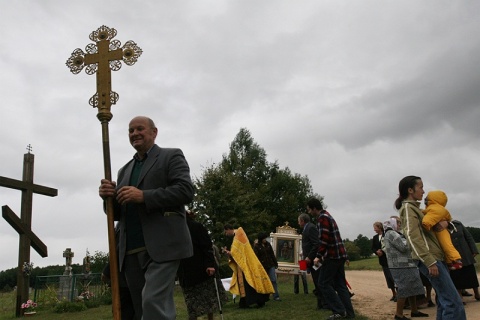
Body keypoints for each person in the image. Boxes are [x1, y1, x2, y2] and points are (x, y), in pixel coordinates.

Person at [98, 116, 194, 320]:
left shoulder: (171, 156)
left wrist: (144, 196)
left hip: (163, 246)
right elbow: (117, 215)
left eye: (140, 129)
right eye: (130, 131)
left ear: (154, 132)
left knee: (153, 303)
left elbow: (185, 191)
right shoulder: (124, 171)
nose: (134, 134)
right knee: (142, 309)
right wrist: (108, 198)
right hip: (130, 250)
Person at [395, 175, 466, 320]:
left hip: (436, 258)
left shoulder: (417, 209)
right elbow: (412, 236)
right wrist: (430, 261)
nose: (423, 191)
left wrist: (447, 223)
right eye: (420, 187)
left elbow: (436, 228)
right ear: (410, 190)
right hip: (431, 259)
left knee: (443, 300)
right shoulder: (408, 208)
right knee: (453, 302)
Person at [308, 198, 355, 319]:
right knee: (340, 285)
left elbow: (324, 239)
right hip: (340, 256)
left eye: (309, 209)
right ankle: (349, 313)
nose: (309, 212)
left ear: (314, 208)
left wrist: (318, 256)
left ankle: (339, 311)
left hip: (332, 256)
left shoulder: (322, 218)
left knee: (323, 283)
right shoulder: (328, 215)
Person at [177, 211, 227, 320]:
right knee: (191, 304)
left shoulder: (196, 227)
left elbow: (207, 247)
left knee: (209, 301)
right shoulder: (175, 231)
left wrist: (210, 265)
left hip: (203, 270)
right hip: (186, 274)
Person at [383, 217, 428, 319]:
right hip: (401, 266)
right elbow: (403, 247)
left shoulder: (391, 233)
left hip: (406, 265)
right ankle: (399, 314)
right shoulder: (392, 233)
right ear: (393, 224)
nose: (400, 226)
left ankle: (414, 310)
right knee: (404, 289)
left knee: (412, 289)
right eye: (398, 224)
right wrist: (411, 239)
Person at [223, 224, 274, 308]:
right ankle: (249, 302)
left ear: (228, 229)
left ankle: (249, 303)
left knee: (248, 283)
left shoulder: (238, 235)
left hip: (245, 264)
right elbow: (238, 252)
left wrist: (229, 253)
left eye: (226, 232)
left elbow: (236, 252)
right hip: (244, 264)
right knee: (249, 283)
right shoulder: (238, 235)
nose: (226, 234)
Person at [422, 190, 462, 270]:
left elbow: (429, 218)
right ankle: (450, 262)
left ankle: (456, 260)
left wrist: (426, 224)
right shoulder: (438, 208)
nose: (425, 199)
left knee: (446, 245)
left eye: (427, 197)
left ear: (433, 199)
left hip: (440, 231)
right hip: (441, 230)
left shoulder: (435, 208)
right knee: (445, 245)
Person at [449, 220, 480, 303]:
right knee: (456, 276)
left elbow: (468, 237)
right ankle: (460, 296)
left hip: (466, 253)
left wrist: (474, 250)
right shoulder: (441, 228)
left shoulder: (458, 224)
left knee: (471, 273)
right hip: (453, 256)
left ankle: (477, 294)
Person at [371, 221, 397, 302]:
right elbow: (373, 247)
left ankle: (399, 294)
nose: (374, 229)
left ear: (379, 227)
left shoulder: (386, 235)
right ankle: (394, 294)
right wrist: (376, 252)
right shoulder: (375, 237)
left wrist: (383, 251)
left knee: (393, 277)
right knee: (388, 278)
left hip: (390, 259)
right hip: (382, 260)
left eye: (375, 227)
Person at [254, 232, 281, 301]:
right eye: (264, 238)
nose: (265, 240)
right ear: (261, 239)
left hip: (270, 264)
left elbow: (272, 254)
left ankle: (276, 296)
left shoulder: (268, 245)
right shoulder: (256, 246)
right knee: (264, 281)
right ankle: (265, 296)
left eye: (265, 238)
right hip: (262, 266)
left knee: (273, 280)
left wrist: (275, 263)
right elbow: (256, 257)